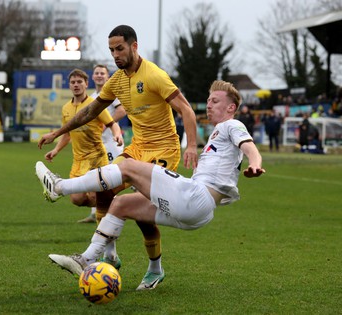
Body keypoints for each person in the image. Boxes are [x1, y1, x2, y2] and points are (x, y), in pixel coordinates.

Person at [35, 80, 265, 288]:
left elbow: (249, 147)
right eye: (208, 100)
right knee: (121, 204)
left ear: (231, 108)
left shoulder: (232, 125)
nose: (209, 105)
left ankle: (59, 187)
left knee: (127, 167)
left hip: (196, 198)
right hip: (198, 209)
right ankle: (89, 260)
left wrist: (255, 163)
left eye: (215, 101)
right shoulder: (218, 131)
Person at [38, 25, 198, 290]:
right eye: (111, 50)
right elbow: (89, 112)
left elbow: (186, 109)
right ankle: (109, 255)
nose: (115, 55)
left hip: (163, 152)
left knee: (142, 212)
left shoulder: (154, 75)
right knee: (104, 187)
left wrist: (191, 145)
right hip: (137, 148)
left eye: (119, 48)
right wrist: (58, 132)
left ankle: (155, 269)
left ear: (134, 46)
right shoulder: (116, 81)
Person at [41, 68, 123, 217]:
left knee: (95, 196)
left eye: (79, 82)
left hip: (97, 157)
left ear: (86, 84)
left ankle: (111, 207)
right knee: (77, 199)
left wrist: (117, 134)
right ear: (69, 85)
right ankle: (113, 202)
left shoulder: (94, 104)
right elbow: (67, 134)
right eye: (73, 82)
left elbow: (112, 123)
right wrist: (56, 150)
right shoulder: (66, 108)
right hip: (79, 159)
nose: (76, 85)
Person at [77, 64, 127, 224]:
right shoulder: (92, 96)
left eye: (102, 73)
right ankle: (95, 213)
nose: (99, 75)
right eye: (96, 73)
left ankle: (132, 204)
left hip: (112, 142)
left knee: (116, 177)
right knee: (98, 177)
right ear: (92, 77)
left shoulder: (111, 93)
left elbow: (121, 111)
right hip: (98, 144)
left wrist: (106, 124)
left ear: (107, 77)